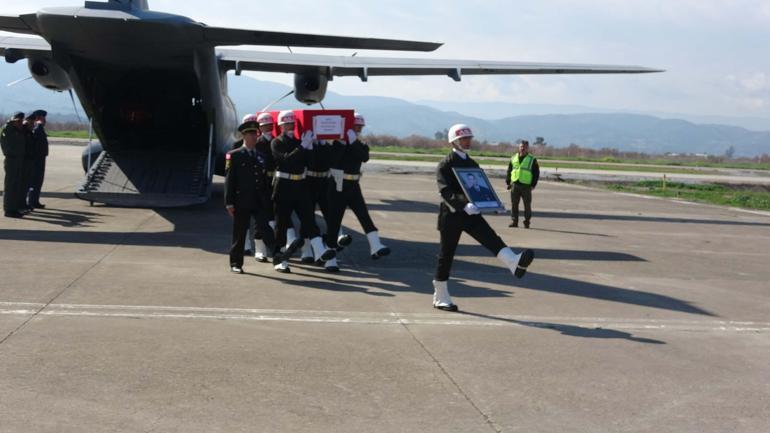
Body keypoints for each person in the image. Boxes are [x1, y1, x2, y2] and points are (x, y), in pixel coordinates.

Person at [432, 124, 534, 311]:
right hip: (452, 216)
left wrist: (493, 203)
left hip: (472, 214)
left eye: (469, 138)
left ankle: (513, 262)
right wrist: (463, 205)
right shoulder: (445, 165)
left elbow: (481, 187)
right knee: (446, 255)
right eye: (464, 138)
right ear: (454, 142)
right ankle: (440, 295)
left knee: (491, 238)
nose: (468, 141)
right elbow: (445, 191)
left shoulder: (471, 163)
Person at [270, 110, 335, 273]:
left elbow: (311, 163)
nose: (289, 126)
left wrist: (312, 147)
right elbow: (286, 161)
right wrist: (303, 147)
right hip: (283, 186)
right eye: (286, 124)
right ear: (281, 126)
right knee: (282, 224)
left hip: (301, 186)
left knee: (309, 220)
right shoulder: (276, 142)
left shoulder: (301, 141)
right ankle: (279, 258)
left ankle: (320, 251)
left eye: (292, 123)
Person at [325, 113, 389, 270]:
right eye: (356, 126)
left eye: (360, 127)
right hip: (338, 184)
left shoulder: (359, 143)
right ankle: (330, 258)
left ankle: (375, 245)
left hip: (353, 184)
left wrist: (352, 142)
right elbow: (333, 160)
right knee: (334, 220)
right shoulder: (337, 143)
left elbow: (364, 157)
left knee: (363, 215)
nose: (359, 129)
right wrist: (342, 142)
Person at [225, 118, 284, 274]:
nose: (254, 137)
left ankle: (278, 257)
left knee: (266, 230)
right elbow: (229, 181)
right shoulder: (234, 155)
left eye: (255, 134)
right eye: (251, 134)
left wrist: (267, 198)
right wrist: (229, 203)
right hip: (241, 200)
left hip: (259, 201)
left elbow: (264, 180)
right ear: (244, 136)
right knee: (240, 233)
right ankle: (236, 263)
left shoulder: (261, 156)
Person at [506, 140, 540, 228]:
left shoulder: (532, 159)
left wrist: (533, 184)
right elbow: (510, 170)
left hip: (526, 185)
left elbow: (536, 173)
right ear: (519, 147)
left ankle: (527, 221)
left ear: (527, 148)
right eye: (521, 146)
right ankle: (514, 221)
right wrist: (508, 180)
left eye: (524, 147)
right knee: (514, 204)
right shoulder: (513, 158)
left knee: (527, 205)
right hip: (515, 184)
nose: (522, 148)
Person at [1, 112, 27, 218]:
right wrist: (11, 122)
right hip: (11, 161)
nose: (21, 123)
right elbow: (6, 145)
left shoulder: (17, 130)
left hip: (18, 160)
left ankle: (14, 208)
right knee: (10, 186)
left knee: (16, 185)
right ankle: (8, 209)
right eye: (19, 121)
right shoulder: (8, 130)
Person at [27, 110, 49, 209]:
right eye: (43, 118)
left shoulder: (39, 128)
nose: (45, 120)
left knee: (38, 180)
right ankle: (32, 201)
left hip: (40, 158)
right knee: (35, 180)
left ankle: (35, 201)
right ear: (38, 118)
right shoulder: (37, 128)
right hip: (37, 159)